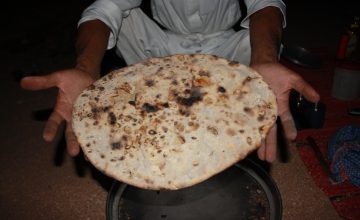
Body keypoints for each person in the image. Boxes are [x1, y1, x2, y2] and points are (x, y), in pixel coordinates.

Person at [21, 0, 320, 162]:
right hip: (161, 45)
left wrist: (265, 60)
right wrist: (85, 67)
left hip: (224, 46)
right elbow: (103, 9)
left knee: (263, 47)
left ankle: (233, 104)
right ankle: (147, 108)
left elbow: (267, 5)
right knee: (123, 17)